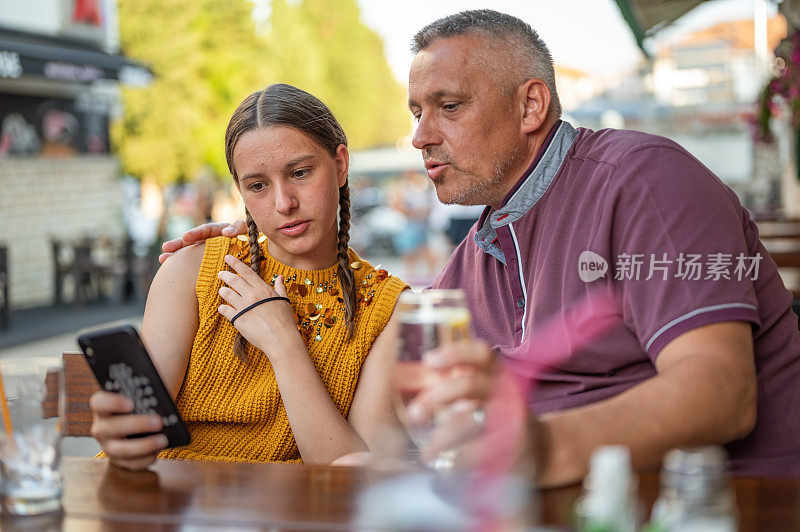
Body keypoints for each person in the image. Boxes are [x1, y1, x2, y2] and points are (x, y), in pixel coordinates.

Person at [160, 11, 800, 486]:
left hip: (739, 502)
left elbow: (721, 393)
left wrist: (538, 450)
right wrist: (261, 242)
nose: (420, 136)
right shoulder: (460, 276)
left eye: (448, 106)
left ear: (530, 105)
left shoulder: (642, 180)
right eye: (415, 111)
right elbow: (379, 449)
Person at [90, 84, 408, 471]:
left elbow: (351, 476)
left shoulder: (386, 307)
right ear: (240, 189)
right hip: (169, 506)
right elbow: (140, 435)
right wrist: (120, 432)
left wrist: (284, 343)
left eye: (301, 173)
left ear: (340, 164)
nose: (283, 203)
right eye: (258, 185)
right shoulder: (195, 269)